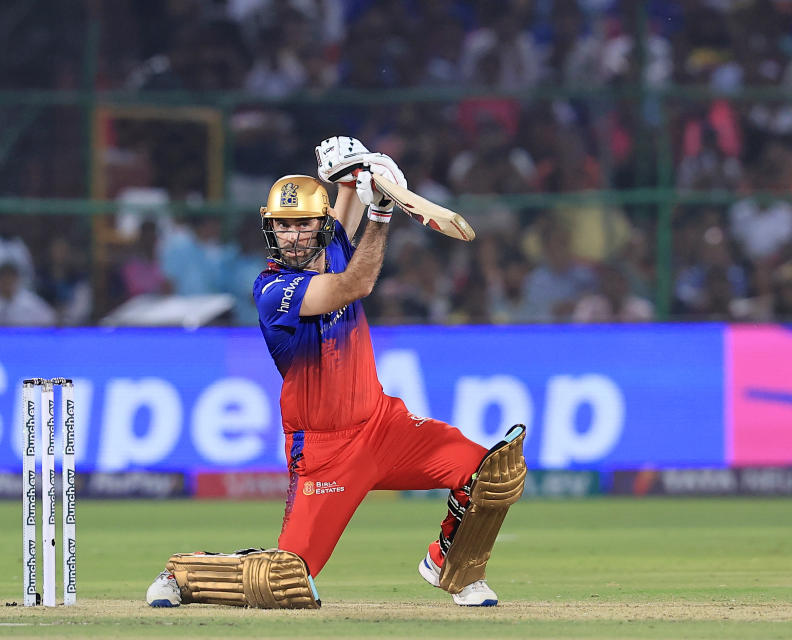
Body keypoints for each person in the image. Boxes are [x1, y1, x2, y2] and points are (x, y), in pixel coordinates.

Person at [146, 137, 526, 609]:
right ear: (270, 231)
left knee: (493, 473)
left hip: (385, 426)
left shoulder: (335, 246)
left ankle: (452, 564)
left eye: (304, 224)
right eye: (283, 226)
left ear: (320, 224)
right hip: (326, 451)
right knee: (285, 580)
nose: (294, 236)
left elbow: (344, 219)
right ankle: (184, 573)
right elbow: (356, 284)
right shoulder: (273, 289)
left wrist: (354, 174)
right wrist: (382, 212)